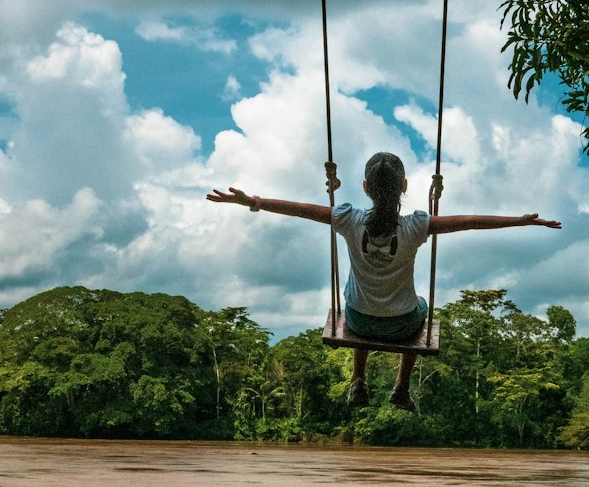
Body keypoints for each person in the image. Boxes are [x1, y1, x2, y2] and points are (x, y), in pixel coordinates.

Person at [207, 151, 561, 412]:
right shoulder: (416, 226)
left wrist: (252, 201)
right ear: (405, 186)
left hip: (360, 320)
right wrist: (518, 220)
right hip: (403, 326)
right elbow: (470, 222)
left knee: (356, 306)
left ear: (365, 187)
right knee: (420, 307)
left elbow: (299, 209)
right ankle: (401, 386)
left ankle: (357, 380)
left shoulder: (347, 218)